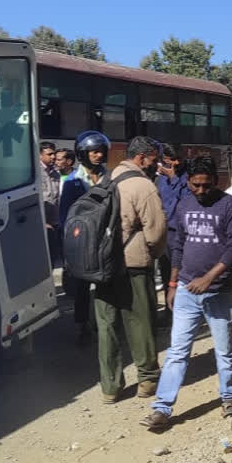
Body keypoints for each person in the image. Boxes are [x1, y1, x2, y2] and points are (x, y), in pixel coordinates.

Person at [140, 156, 232, 429]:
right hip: (186, 290)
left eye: (206, 186)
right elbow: (178, 246)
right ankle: (162, 407)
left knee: (223, 350)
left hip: (219, 293)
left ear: (216, 182)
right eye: (196, 185)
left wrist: (209, 278)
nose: (201, 191)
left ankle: (229, 397)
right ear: (188, 182)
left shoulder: (230, 206)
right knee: (177, 351)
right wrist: (173, 284)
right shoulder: (185, 205)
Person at [94, 136, 167, 404]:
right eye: (154, 159)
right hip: (133, 264)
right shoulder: (142, 185)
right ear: (142, 158)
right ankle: (147, 379)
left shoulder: (105, 180)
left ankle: (110, 388)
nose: (155, 164)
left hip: (101, 266)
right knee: (140, 321)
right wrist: (154, 255)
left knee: (107, 326)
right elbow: (156, 231)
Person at [60, 131, 110, 345]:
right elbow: (65, 215)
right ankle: (82, 325)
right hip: (82, 240)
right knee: (81, 286)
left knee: (105, 283)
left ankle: (105, 324)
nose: (99, 155)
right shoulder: (73, 182)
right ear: (83, 154)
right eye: (94, 152)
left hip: (104, 238)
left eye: (101, 151)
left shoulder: (110, 177)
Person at [155, 143, 191, 325]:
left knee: (182, 272)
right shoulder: (160, 179)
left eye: (179, 159)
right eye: (172, 160)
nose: (177, 163)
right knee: (166, 270)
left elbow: (187, 199)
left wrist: (174, 178)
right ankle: (170, 312)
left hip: (182, 232)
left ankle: (184, 312)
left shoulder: (186, 176)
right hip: (166, 232)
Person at [39, 141, 61, 267]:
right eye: (49, 154)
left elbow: (56, 197)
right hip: (41, 223)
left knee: (52, 256)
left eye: (54, 154)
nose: (53, 157)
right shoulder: (35, 172)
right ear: (40, 155)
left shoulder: (55, 173)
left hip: (54, 222)